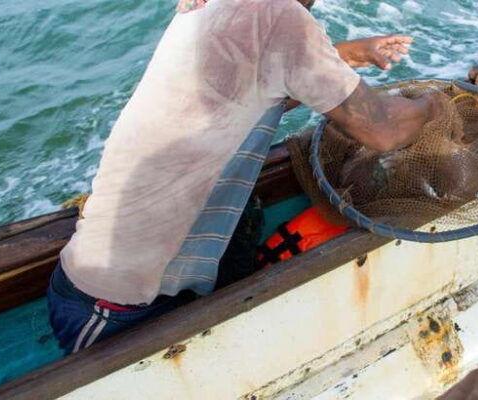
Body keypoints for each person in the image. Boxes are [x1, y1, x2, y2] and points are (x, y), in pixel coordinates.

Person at [47, 0, 439, 354]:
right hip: (109, 305)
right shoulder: (279, 16)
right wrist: (437, 102)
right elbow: (384, 129)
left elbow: (253, 85)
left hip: (143, 283)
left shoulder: (216, 7)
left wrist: (347, 55)